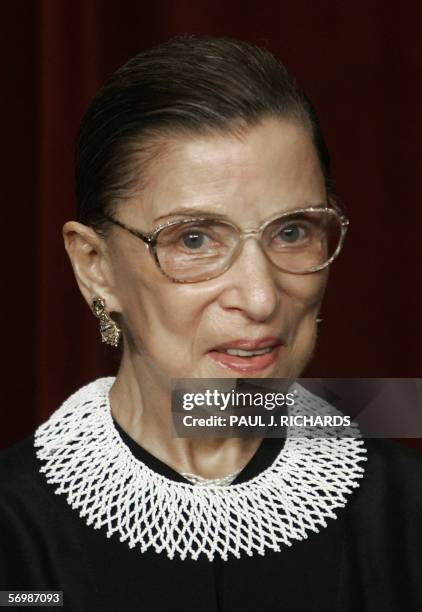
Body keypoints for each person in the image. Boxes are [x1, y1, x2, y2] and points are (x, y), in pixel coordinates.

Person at [1, 36, 421, 612]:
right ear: (95, 267)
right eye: (193, 238)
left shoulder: (408, 510)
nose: (260, 297)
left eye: (292, 231)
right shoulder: (15, 533)